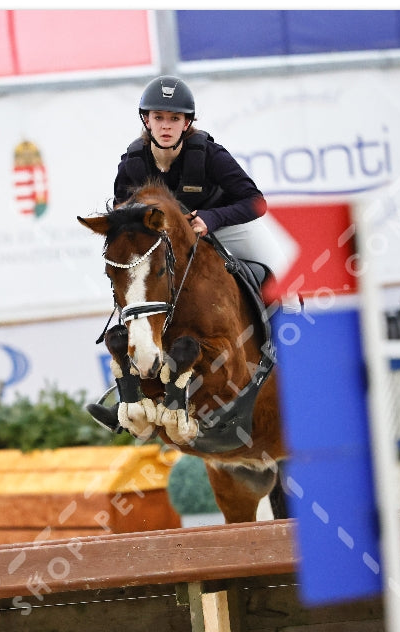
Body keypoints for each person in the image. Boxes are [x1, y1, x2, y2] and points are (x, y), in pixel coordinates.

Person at [87, 75, 300, 431]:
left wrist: (211, 218)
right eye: (159, 118)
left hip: (224, 225)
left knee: (280, 275)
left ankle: (293, 360)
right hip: (167, 243)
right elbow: (126, 221)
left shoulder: (209, 154)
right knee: (139, 286)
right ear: (147, 121)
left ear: (187, 123)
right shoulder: (133, 163)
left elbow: (255, 202)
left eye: (174, 119)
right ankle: (127, 387)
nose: (166, 126)